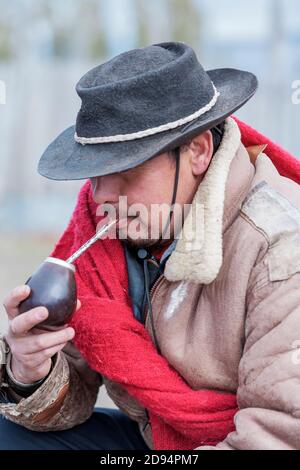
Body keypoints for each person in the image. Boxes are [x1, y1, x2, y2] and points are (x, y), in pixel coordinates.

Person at [1, 41, 300, 450]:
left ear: (197, 151)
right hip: (156, 439)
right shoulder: (104, 230)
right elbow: (74, 393)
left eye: (126, 166)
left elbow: (280, 433)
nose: (101, 195)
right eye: (95, 171)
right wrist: (31, 368)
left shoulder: (280, 246)